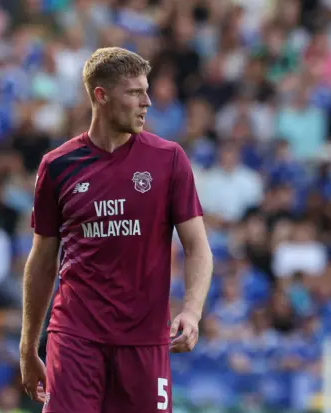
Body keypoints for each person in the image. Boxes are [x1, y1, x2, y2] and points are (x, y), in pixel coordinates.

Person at [19, 47, 213, 413]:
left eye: (147, 90)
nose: (148, 102)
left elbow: (198, 246)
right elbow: (42, 259)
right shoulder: (57, 166)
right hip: (76, 334)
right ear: (101, 96)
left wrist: (191, 310)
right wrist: (29, 346)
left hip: (145, 340)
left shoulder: (168, 160)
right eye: (135, 92)